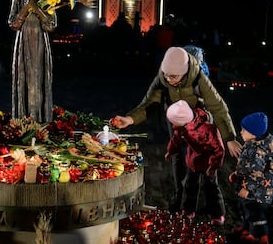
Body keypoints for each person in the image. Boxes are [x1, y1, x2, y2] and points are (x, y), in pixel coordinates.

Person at [111, 46, 242, 211]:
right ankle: (179, 192)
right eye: (166, 75)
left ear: (185, 72)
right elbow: (150, 102)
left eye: (173, 76)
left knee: (204, 153)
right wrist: (130, 119)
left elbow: (218, 108)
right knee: (176, 153)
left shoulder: (199, 78)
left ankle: (212, 199)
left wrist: (229, 138)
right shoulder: (163, 77)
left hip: (198, 118)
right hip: (176, 118)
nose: (169, 79)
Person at [8, 0, 57, 123]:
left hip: (41, 43)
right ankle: (25, 122)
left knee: (39, 80)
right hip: (24, 42)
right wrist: (25, 9)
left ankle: (41, 121)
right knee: (25, 80)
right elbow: (12, 23)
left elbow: (51, 25)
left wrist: (36, 8)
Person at [165, 100, 226, 225]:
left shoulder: (208, 129)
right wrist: (170, 152)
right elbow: (175, 140)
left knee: (212, 187)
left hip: (208, 163)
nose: (173, 126)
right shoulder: (182, 128)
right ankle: (188, 210)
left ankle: (217, 213)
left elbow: (219, 149)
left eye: (174, 123)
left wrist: (213, 166)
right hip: (193, 161)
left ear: (182, 121)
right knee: (190, 186)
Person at [229, 112, 273, 244]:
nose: (240, 132)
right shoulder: (254, 142)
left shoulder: (257, 151)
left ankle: (259, 235)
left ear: (254, 134)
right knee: (245, 207)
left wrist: (248, 189)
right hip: (249, 183)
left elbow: (256, 174)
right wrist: (237, 173)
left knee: (254, 211)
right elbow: (246, 166)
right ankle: (247, 227)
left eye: (243, 130)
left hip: (258, 191)